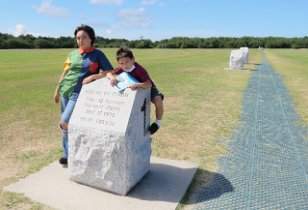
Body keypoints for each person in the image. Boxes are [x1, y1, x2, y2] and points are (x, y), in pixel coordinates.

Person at [53, 24, 113, 165]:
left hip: (80, 93)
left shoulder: (98, 54)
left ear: (91, 38)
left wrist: (93, 77)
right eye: (78, 38)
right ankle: (67, 153)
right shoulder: (72, 54)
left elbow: (109, 72)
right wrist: (57, 90)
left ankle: (71, 152)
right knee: (66, 122)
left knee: (65, 121)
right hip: (66, 91)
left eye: (84, 37)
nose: (81, 40)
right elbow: (65, 73)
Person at [107, 46, 164, 135]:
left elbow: (148, 84)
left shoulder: (139, 70)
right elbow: (109, 73)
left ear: (133, 60)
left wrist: (137, 85)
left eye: (127, 62)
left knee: (158, 102)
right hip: (135, 90)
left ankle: (157, 123)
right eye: (121, 63)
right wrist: (111, 78)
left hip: (148, 87)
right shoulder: (122, 68)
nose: (125, 65)